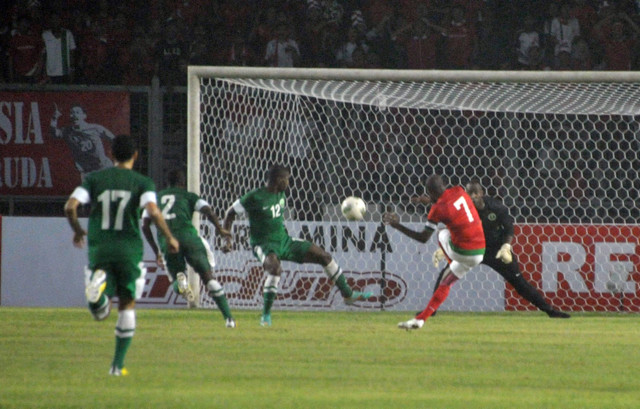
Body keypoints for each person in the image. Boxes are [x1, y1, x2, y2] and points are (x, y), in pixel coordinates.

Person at [64, 134, 179, 376]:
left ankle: (98, 295)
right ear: (135, 156)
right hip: (128, 249)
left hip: (100, 247)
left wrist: (77, 231)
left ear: (112, 155)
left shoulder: (95, 179)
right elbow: (153, 212)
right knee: (127, 304)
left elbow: (70, 206)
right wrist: (169, 237)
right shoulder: (142, 182)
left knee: (100, 312)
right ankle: (117, 365)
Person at [222, 164, 373, 326]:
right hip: (263, 245)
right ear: (278, 180)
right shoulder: (254, 197)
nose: (288, 182)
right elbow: (230, 213)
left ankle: (348, 294)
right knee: (275, 269)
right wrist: (227, 239)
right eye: (287, 179)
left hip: (284, 241)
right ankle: (265, 316)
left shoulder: (281, 194)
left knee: (324, 256)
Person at [429, 179, 570, 319]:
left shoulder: (497, 208)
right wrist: (446, 249)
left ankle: (550, 311)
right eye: (468, 192)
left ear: (481, 194)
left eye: (474, 193)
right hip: (473, 248)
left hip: (495, 250)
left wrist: (505, 247)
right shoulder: (463, 209)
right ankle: (432, 311)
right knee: (446, 275)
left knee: (519, 283)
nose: (471, 196)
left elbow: (509, 229)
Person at [382, 175, 485, 330]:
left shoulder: (437, 210)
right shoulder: (459, 190)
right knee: (445, 282)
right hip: (480, 251)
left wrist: (397, 226)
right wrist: (432, 200)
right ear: (444, 184)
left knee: (441, 234)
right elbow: (449, 203)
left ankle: (450, 260)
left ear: (429, 192)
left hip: (462, 252)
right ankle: (420, 320)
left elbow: (423, 237)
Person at [141, 169, 236, 328]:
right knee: (208, 278)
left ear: (166, 183)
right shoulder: (188, 196)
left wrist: (156, 249)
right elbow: (207, 210)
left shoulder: (155, 199)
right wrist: (219, 229)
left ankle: (182, 282)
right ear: (183, 183)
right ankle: (229, 319)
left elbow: (145, 225)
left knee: (178, 282)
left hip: (167, 242)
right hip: (189, 238)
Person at [50, 104, 115, 179]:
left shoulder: (95, 128)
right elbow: (54, 134)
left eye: (77, 112)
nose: (74, 115)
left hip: (104, 167)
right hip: (87, 172)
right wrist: (54, 118)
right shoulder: (67, 131)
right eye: (72, 113)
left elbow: (114, 140)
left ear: (84, 116)